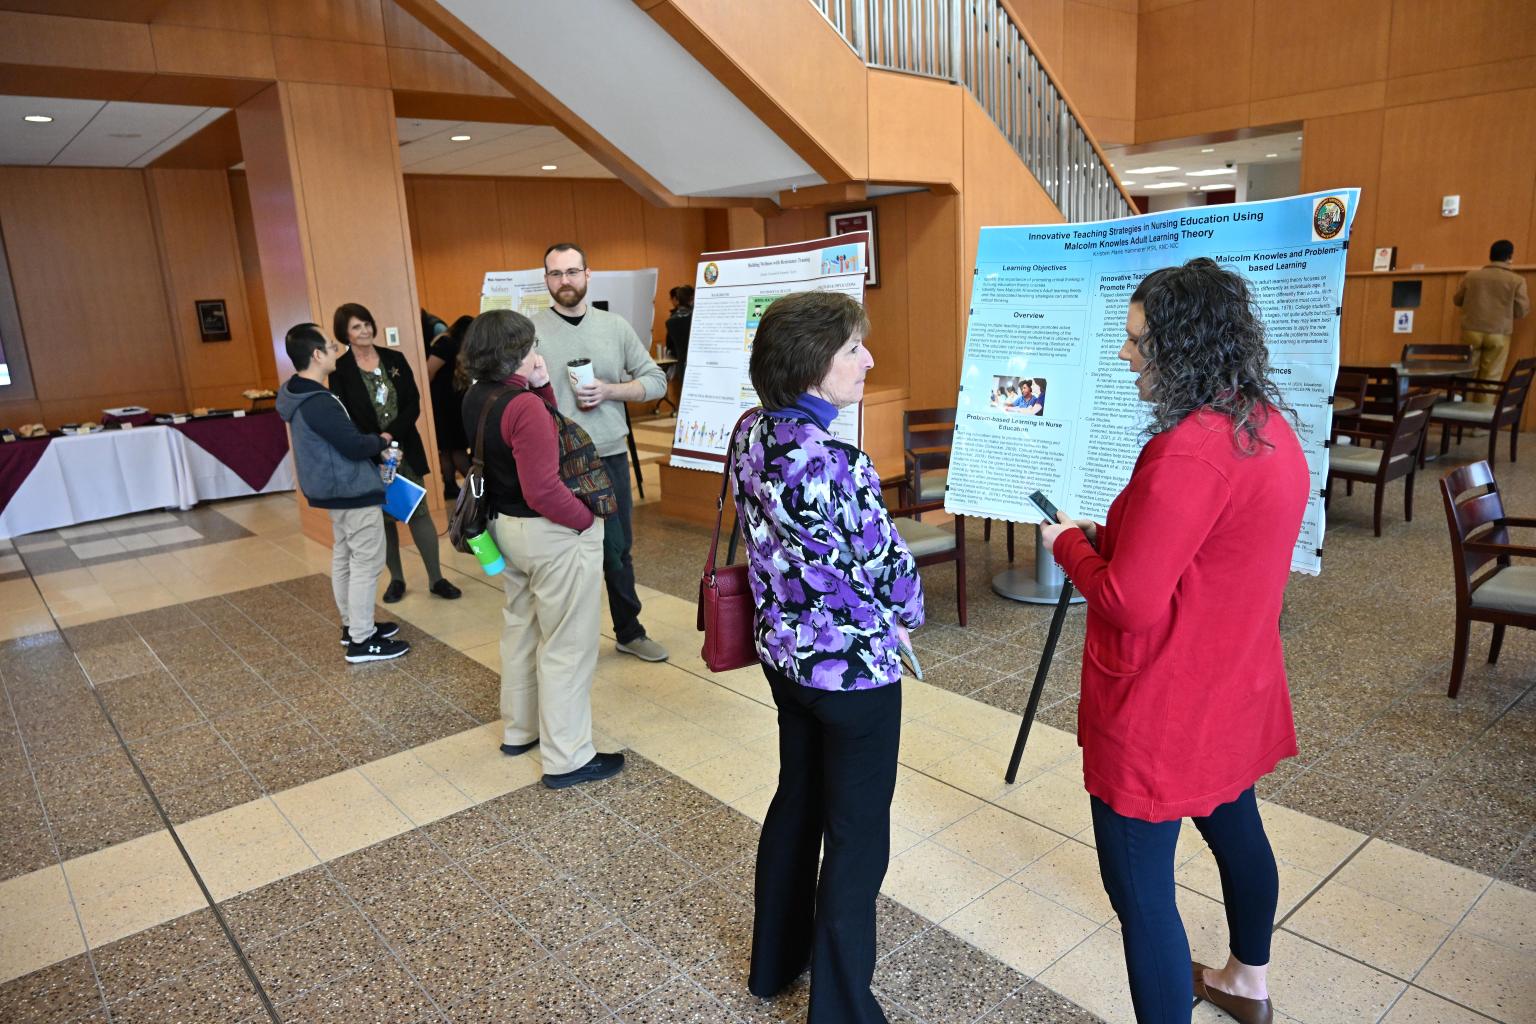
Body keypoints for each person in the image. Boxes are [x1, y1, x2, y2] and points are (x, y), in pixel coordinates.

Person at [1040, 258, 1308, 1024]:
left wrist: (1069, 545)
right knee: (1238, 833)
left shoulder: (1188, 450)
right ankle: (1247, 981)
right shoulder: (1262, 425)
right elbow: (1204, 551)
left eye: (1136, 341)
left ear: (1181, 345)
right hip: (1232, 686)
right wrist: (1112, 535)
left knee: (1142, 897)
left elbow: (1127, 600)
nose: (1125, 356)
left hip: (1165, 707)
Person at [728, 291, 924, 1023]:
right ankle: (842, 1009)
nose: (867, 359)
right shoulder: (837, 460)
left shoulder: (752, 432)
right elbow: (894, 574)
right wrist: (908, 617)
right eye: (852, 349)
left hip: (785, 659)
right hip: (852, 677)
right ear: (812, 364)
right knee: (855, 834)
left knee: (797, 801)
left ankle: (774, 964)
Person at [459, 310, 622, 789]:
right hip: (550, 534)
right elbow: (544, 488)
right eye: (531, 347)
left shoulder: (476, 395)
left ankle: (520, 729)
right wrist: (586, 520)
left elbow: (538, 434)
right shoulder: (523, 406)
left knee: (522, 629)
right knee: (568, 647)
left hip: (505, 528)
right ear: (515, 352)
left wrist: (543, 384)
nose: (537, 353)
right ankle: (568, 757)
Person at [530, 243, 669, 662]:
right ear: (546, 281)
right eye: (556, 274)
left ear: (588, 275)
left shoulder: (614, 326)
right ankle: (567, 641)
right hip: (551, 461)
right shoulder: (529, 330)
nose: (565, 281)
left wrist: (610, 390)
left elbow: (656, 381)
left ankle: (629, 630)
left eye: (572, 272)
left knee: (616, 548)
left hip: (606, 454)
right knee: (560, 554)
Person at [276, 324, 409, 664]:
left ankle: (354, 626)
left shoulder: (297, 393)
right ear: (317, 354)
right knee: (366, 562)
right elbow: (351, 445)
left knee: (346, 558)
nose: (338, 350)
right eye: (332, 346)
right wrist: (380, 441)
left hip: (333, 490)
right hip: (350, 490)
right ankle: (362, 642)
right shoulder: (317, 400)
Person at [329, 302, 462, 604]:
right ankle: (397, 580)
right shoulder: (340, 371)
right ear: (344, 334)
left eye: (366, 324)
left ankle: (436, 578)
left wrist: (391, 436)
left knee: (419, 511)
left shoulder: (394, 358)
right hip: (369, 454)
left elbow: (413, 402)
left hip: (405, 449)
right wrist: (377, 445)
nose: (364, 331)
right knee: (385, 519)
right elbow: (345, 415)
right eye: (356, 327)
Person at [1453, 240, 1530, 403]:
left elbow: (1457, 300)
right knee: (1491, 378)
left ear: (1490, 256)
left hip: (1471, 331)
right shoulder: (1517, 280)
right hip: (1498, 333)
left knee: (1467, 374)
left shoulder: (1471, 276)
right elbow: (1522, 310)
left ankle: (1460, 416)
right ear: (1510, 257)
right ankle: (1479, 424)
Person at [427, 314, 474, 500]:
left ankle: (449, 485)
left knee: (447, 447)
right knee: (456, 447)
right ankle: (473, 486)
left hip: (447, 401)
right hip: (446, 403)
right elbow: (429, 370)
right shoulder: (447, 344)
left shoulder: (448, 343)